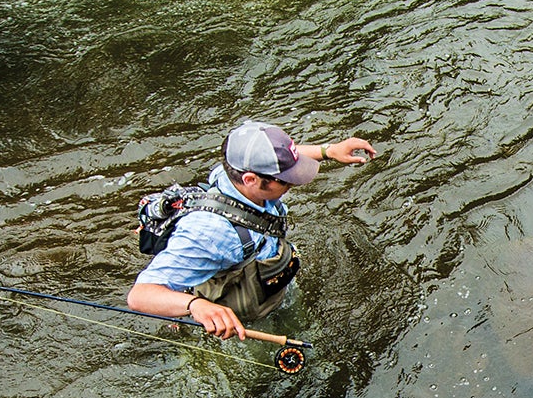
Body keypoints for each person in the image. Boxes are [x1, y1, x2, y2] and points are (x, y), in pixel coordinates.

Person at [128, 120, 376, 339]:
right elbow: (140, 295)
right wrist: (196, 306)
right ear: (250, 179)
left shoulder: (230, 173)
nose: (293, 181)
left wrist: (329, 151)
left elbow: (281, 162)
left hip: (273, 287)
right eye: (285, 178)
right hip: (243, 321)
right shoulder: (211, 234)